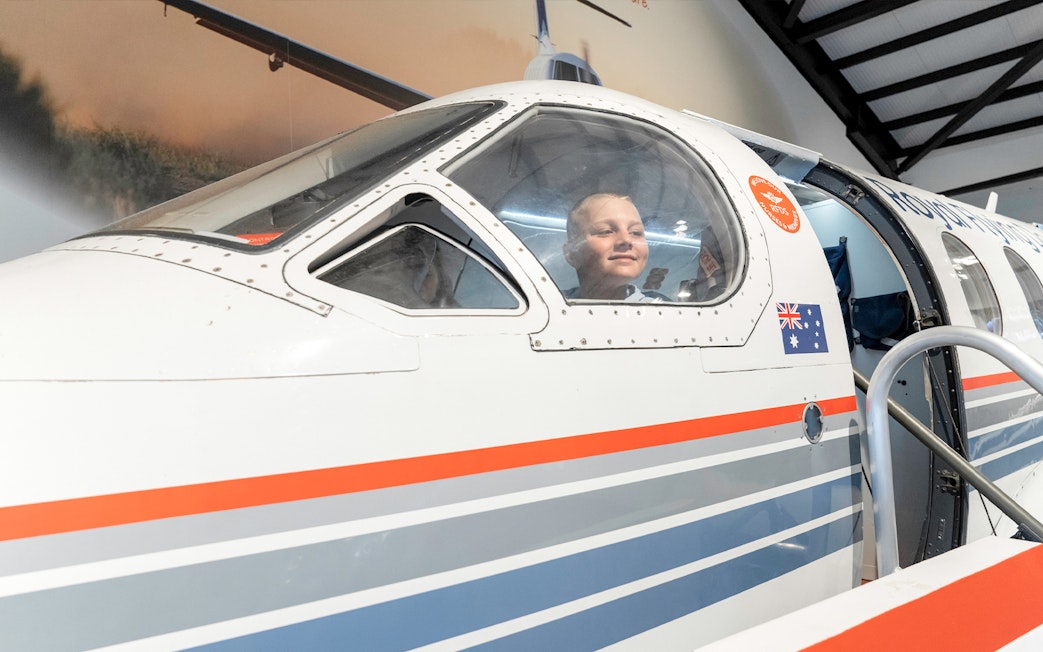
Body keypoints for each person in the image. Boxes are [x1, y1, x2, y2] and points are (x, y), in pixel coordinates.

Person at [562, 193, 662, 301]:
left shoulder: (663, 315)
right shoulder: (549, 308)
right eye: (606, 231)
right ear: (571, 254)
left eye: (635, 233)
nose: (626, 240)